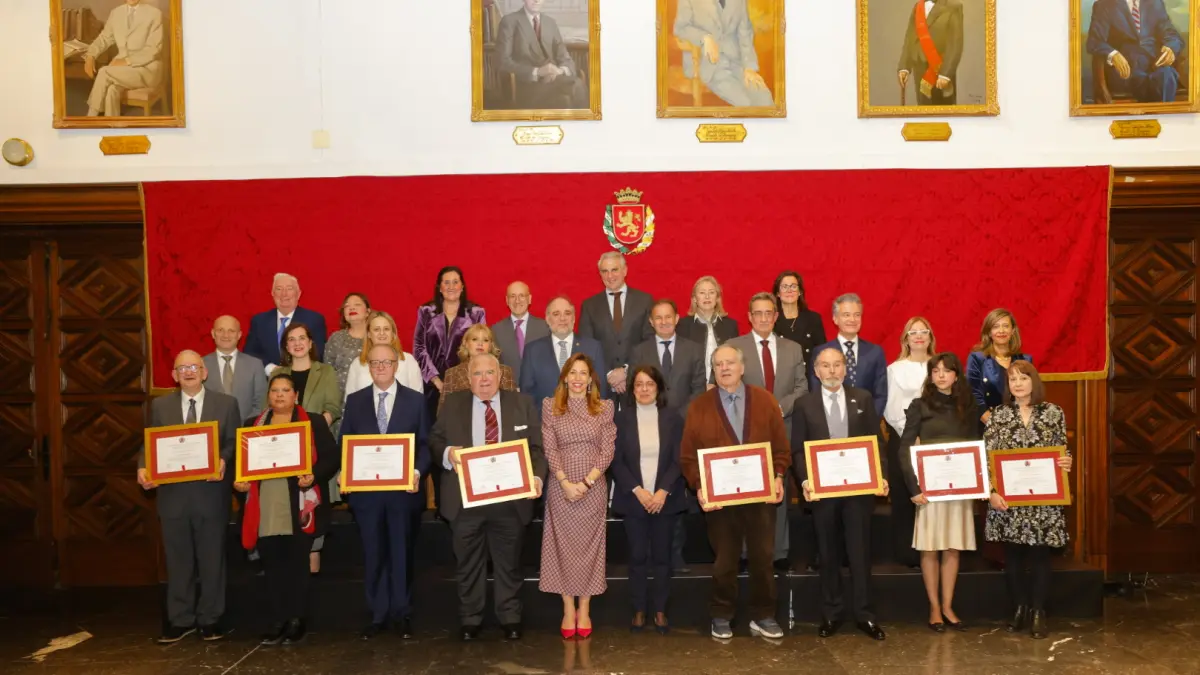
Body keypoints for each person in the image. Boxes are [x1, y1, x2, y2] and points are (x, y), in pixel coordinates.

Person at [431, 353, 546, 641]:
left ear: (500, 376)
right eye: (477, 374)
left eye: (489, 373)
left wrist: (535, 478)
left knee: (509, 563)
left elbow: (536, 448)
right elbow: (435, 440)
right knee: (468, 563)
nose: (484, 379)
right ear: (468, 379)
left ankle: (510, 617)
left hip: (510, 501)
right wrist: (448, 454)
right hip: (465, 501)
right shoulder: (453, 403)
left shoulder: (522, 403)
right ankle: (471, 618)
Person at [679, 344, 789, 641]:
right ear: (713, 371)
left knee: (762, 558)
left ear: (742, 367)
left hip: (760, 496)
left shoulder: (765, 401)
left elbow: (781, 448)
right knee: (725, 560)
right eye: (718, 364)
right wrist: (700, 487)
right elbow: (688, 457)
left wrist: (778, 476)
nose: (724, 368)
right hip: (720, 499)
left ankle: (764, 615)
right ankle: (721, 614)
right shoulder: (699, 406)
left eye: (730, 363)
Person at [136, 350, 240, 643]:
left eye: (194, 367)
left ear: (204, 372)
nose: (189, 372)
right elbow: (149, 443)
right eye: (182, 368)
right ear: (174, 375)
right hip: (173, 496)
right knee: (177, 559)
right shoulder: (160, 406)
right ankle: (180, 619)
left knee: (212, 559)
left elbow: (233, 441)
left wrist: (223, 459)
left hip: (210, 493)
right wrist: (143, 467)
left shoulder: (226, 404)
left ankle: (210, 618)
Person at [233, 373, 339, 646]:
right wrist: (240, 482)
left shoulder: (313, 422)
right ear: (268, 395)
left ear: (296, 396)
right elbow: (240, 463)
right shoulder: (252, 425)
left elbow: (331, 457)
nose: (279, 395)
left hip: (299, 505)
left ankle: (296, 620)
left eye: (285, 390)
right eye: (274, 390)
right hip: (265, 504)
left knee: (297, 565)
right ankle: (278, 620)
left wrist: (313, 476)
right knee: (272, 565)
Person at [792, 347, 889, 641]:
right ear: (816, 371)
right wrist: (805, 481)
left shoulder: (863, 398)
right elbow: (798, 449)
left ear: (845, 369)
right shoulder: (804, 404)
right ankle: (831, 614)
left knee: (860, 553)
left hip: (858, 490)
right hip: (823, 493)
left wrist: (882, 476)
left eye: (837, 365)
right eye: (825, 365)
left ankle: (865, 615)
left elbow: (876, 442)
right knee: (828, 553)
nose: (832, 371)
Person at [340, 344, 431, 640]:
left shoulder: (415, 401)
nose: (380, 367)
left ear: (396, 365)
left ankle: (402, 614)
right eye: (375, 362)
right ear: (368, 366)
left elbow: (425, 445)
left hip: (403, 494)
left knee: (401, 553)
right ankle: (377, 615)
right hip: (367, 495)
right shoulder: (355, 401)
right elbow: (345, 443)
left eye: (386, 362)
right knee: (373, 553)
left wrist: (416, 472)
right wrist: (346, 472)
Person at [985, 361, 1073, 640]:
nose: (1018, 384)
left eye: (1023, 378)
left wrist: (1067, 461)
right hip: (1008, 499)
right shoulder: (998, 415)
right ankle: (1019, 608)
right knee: (1012, 556)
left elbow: (1062, 450)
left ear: (1034, 381)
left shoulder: (1053, 412)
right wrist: (991, 492)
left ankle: (1038, 611)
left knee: (1040, 555)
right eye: (1013, 379)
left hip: (1043, 498)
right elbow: (987, 458)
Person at [898, 353, 981, 633]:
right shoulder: (919, 405)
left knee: (953, 546)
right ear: (930, 376)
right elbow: (905, 448)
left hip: (960, 487)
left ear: (957, 375)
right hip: (929, 489)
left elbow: (976, 445)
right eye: (936, 371)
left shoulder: (968, 406)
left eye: (947, 371)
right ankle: (934, 607)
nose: (941, 375)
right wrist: (913, 488)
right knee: (930, 547)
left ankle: (948, 606)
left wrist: (978, 483)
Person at [725, 292, 807, 571]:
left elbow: (802, 388)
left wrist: (778, 409)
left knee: (778, 488)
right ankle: (745, 551)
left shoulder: (793, 348)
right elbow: (728, 385)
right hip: (745, 429)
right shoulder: (733, 347)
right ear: (749, 317)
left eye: (768, 313)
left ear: (776, 316)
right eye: (757, 313)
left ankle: (779, 551)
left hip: (784, 426)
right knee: (746, 490)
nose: (763, 318)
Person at [539, 353, 616, 639]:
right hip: (561, 486)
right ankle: (567, 607)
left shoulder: (604, 407)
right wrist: (564, 482)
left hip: (592, 486)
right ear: (564, 378)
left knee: (590, 550)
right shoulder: (550, 406)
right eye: (572, 372)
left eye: (583, 373)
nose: (578, 378)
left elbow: (608, 450)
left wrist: (586, 482)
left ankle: (584, 607)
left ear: (591, 379)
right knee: (561, 547)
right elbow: (550, 448)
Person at [611, 366, 686, 634]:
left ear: (658, 387)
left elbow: (679, 459)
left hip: (665, 499)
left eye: (649, 384)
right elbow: (616, 461)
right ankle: (639, 609)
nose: (644, 389)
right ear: (632, 390)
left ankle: (660, 610)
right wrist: (638, 490)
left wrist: (662, 491)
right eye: (639, 384)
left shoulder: (673, 418)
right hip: (634, 500)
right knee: (637, 556)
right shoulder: (621, 419)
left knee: (663, 557)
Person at [269, 322, 342, 574]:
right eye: (292, 339)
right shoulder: (278, 372)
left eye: (302, 338)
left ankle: (312, 576)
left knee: (313, 513)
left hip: (316, 451)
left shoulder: (326, 371)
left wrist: (312, 431)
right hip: (284, 454)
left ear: (310, 343)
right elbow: (271, 408)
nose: (297, 343)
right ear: (286, 346)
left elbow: (333, 407)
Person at [883, 316, 936, 568]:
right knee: (905, 497)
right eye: (913, 332)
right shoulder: (895, 369)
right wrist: (911, 433)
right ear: (905, 339)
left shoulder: (940, 366)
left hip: (935, 439)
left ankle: (932, 550)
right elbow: (890, 408)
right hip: (903, 438)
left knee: (933, 496)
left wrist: (929, 433)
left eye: (923, 331)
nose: (918, 336)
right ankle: (907, 554)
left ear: (930, 337)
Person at [413, 266, 487, 419]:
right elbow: (419, 347)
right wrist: (436, 381)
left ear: (462, 286)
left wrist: (460, 380)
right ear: (440, 287)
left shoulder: (476, 313)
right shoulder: (426, 311)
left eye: (455, 282)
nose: (451, 287)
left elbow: (482, 349)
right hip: (431, 386)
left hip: (466, 384)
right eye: (446, 282)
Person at [579, 251, 655, 400]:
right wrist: (609, 374)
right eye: (604, 271)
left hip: (637, 385)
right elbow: (586, 345)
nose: (610, 276)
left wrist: (626, 371)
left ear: (625, 270)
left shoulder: (644, 301)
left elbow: (650, 342)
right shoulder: (589, 306)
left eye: (614, 270)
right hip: (602, 388)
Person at [672, 0, 775, 107]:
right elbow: (680, 28)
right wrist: (704, 37)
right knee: (746, 104)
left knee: (765, 99)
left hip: (736, 62)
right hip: (705, 65)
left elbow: (745, 32)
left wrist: (749, 67)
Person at [519, 295, 606, 415]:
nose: (562, 318)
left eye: (567, 313)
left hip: (586, 421)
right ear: (547, 319)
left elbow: (601, 390)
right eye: (556, 314)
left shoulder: (593, 347)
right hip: (544, 421)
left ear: (574, 318)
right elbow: (526, 395)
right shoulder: (532, 350)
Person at [495, 0, 588, 109]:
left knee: (574, 87)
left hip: (556, 81)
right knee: (568, 94)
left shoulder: (550, 23)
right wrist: (537, 72)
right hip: (527, 85)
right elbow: (503, 62)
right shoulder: (509, 21)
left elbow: (566, 59)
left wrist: (559, 71)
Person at [1087, 0, 1183, 103]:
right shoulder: (1105, 5)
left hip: (1154, 67)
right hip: (1125, 71)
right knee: (1160, 82)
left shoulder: (1155, 3)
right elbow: (1094, 41)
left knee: (1166, 75)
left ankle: (1164, 112)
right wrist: (1113, 54)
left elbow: (1172, 34)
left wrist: (1171, 48)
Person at [82, 0, 164, 117]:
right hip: (123, 70)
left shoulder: (154, 13)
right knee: (112, 89)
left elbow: (153, 50)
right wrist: (91, 55)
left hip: (147, 69)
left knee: (104, 72)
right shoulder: (116, 13)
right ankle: (114, 123)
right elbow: (104, 38)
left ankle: (91, 116)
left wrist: (126, 61)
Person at [809, 293, 887, 416]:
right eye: (846, 315)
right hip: (831, 420)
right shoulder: (821, 352)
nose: (852, 320)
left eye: (857, 315)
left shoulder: (875, 352)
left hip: (867, 421)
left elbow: (881, 395)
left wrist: (870, 421)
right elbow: (816, 392)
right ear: (835, 319)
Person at [628, 299, 706, 417]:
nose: (663, 322)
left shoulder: (694, 350)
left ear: (677, 319)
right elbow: (633, 388)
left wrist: (679, 417)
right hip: (650, 419)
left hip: (686, 420)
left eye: (668, 317)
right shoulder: (639, 352)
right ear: (651, 321)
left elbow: (699, 390)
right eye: (658, 318)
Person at [244, 273, 328, 376]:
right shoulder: (259, 321)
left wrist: (295, 371)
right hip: (266, 381)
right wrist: (271, 369)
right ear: (272, 293)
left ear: (298, 294)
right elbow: (250, 352)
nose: (284, 294)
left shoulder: (314, 320)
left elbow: (318, 354)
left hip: (303, 379)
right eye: (279, 289)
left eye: (289, 288)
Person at [967, 308, 1033, 423]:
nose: (1001, 331)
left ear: (1013, 330)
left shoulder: (1025, 360)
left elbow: (1031, 395)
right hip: (987, 422)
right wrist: (993, 424)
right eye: (996, 326)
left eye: (1006, 326)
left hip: (1019, 422)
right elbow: (972, 394)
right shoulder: (977, 359)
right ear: (989, 332)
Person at [898, 0, 964, 106]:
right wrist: (904, 67)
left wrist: (945, 74)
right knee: (923, 108)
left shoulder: (954, 6)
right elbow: (910, 37)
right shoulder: (918, 7)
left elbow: (955, 42)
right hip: (919, 66)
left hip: (940, 69)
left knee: (943, 110)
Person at [345, 311, 423, 399]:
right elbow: (350, 400)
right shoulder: (357, 363)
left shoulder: (408, 361)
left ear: (393, 333)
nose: (382, 333)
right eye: (376, 329)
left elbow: (417, 399)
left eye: (386, 329)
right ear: (369, 334)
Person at [676, 275, 740, 383]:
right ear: (695, 298)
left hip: (724, 385)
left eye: (711, 292)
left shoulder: (730, 325)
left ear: (717, 298)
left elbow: (735, 360)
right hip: (692, 386)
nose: (707, 297)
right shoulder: (682, 326)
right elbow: (681, 363)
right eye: (702, 293)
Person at [203, 315, 266, 420]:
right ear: (213, 333)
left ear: (239, 335)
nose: (226, 335)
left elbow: (261, 403)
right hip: (212, 427)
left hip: (246, 426)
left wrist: (248, 425)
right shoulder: (200, 365)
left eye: (231, 331)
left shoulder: (255, 365)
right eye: (220, 330)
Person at [438, 324, 517, 408]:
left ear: (491, 345)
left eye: (485, 340)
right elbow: (443, 410)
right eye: (475, 339)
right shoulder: (452, 374)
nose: (480, 343)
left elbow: (514, 406)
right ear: (466, 343)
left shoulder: (505, 371)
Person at [492, 280, 550, 378]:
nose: (517, 301)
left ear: (529, 299)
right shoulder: (496, 330)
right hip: (508, 386)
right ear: (507, 300)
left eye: (522, 296)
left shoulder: (545, 327)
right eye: (513, 296)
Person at [772, 271, 826, 366]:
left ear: (800, 291)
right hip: (781, 373)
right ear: (778, 293)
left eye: (793, 286)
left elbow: (822, 352)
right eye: (784, 287)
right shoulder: (771, 320)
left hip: (808, 372)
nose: (789, 290)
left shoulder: (813, 319)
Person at [324, 292, 372, 395]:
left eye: (357, 304)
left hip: (370, 395)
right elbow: (327, 371)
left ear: (368, 312)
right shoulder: (336, 338)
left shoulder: (377, 336)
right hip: (338, 397)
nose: (352, 308)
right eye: (347, 306)